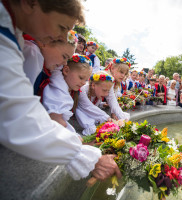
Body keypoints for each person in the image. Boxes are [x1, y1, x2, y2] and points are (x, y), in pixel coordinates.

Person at [0, 0, 120, 181]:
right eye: (61, 27)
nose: (61, 36)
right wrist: (80, 155)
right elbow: (14, 115)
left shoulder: (14, 33)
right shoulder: (28, 48)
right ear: (29, 3)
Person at [42, 54, 92, 133]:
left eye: (86, 80)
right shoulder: (57, 86)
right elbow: (57, 120)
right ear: (66, 70)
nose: (83, 83)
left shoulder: (69, 87)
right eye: (81, 78)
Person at [76, 71, 114, 135]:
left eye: (108, 91)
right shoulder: (83, 89)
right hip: (80, 113)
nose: (106, 94)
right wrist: (107, 117)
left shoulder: (98, 93)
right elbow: (87, 106)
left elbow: (94, 105)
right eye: (104, 90)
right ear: (93, 85)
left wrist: (102, 105)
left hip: (89, 112)